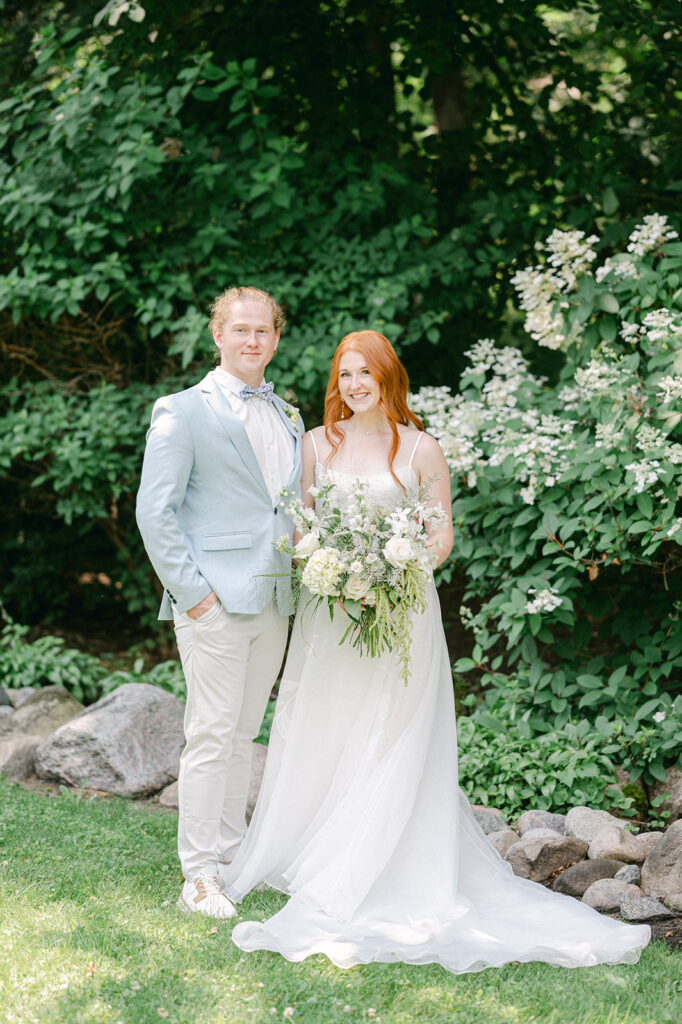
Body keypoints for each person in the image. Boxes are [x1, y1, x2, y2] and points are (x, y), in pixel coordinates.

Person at [219, 329, 651, 972]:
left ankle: (378, 862)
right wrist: (331, 571)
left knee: (392, 729)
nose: (354, 385)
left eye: (366, 373)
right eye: (345, 375)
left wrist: (395, 574)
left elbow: (439, 530)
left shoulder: (422, 448)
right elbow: (302, 525)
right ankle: (311, 849)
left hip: (401, 612)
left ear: (389, 378)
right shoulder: (314, 445)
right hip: (329, 618)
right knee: (326, 723)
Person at [136, 286, 303, 919]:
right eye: (240, 331)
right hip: (212, 602)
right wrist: (194, 596)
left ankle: (231, 857)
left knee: (241, 734)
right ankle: (198, 874)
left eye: (263, 331)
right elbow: (156, 511)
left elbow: (284, 510)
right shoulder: (181, 410)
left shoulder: (288, 415)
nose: (252, 341)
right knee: (209, 734)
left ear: (276, 338)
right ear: (218, 336)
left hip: (274, 598)